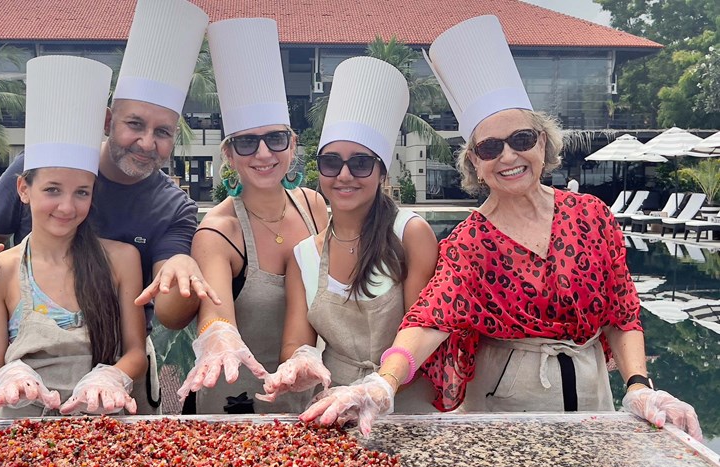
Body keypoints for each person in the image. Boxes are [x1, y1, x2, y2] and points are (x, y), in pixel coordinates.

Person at [301, 15, 702, 440]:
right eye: (490, 148)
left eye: (522, 140)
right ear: (474, 163)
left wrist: (639, 386)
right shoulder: (469, 241)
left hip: (591, 393)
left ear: (543, 143)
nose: (508, 156)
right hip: (502, 405)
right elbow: (429, 317)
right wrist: (383, 383)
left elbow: (622, 313)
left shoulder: (591, 215)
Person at [0, 0, 214, 414]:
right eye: (135, 124)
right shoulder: (38, 166)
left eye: (163, 132)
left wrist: (183, 272)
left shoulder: (171, 208)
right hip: (27, 406)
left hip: (117, 385)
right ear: (108, 121)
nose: (147, 143)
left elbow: (166, 309)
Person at [144, 18, 328, 414]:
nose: (263, 154)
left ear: (293, 145)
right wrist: (219, 334)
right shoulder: (218, 231)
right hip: (234, 402)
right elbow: (216, 314)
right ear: (229, 154)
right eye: (247, 142)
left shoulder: (313, 206)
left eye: (275, 139)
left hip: (307, 397)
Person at [256, 57, 438, 413]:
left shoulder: (410, 233)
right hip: (333, 407)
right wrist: (300, 362)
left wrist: (380, 385)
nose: (344, 175)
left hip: (407, 402)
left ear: (381, 171)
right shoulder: (304, 255)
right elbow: (296, 340)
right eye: (331, 162)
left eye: (360, 163)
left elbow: (425, 326)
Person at [0, 55, 147, 419]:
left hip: (103, 422)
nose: (67, 207)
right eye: (52, 190)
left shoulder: (121, 260)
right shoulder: (1, 270)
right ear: (23, 189)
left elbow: (136, 352)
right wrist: (10, 377)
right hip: (22, 432)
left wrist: (111, 376)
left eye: (81, 193)